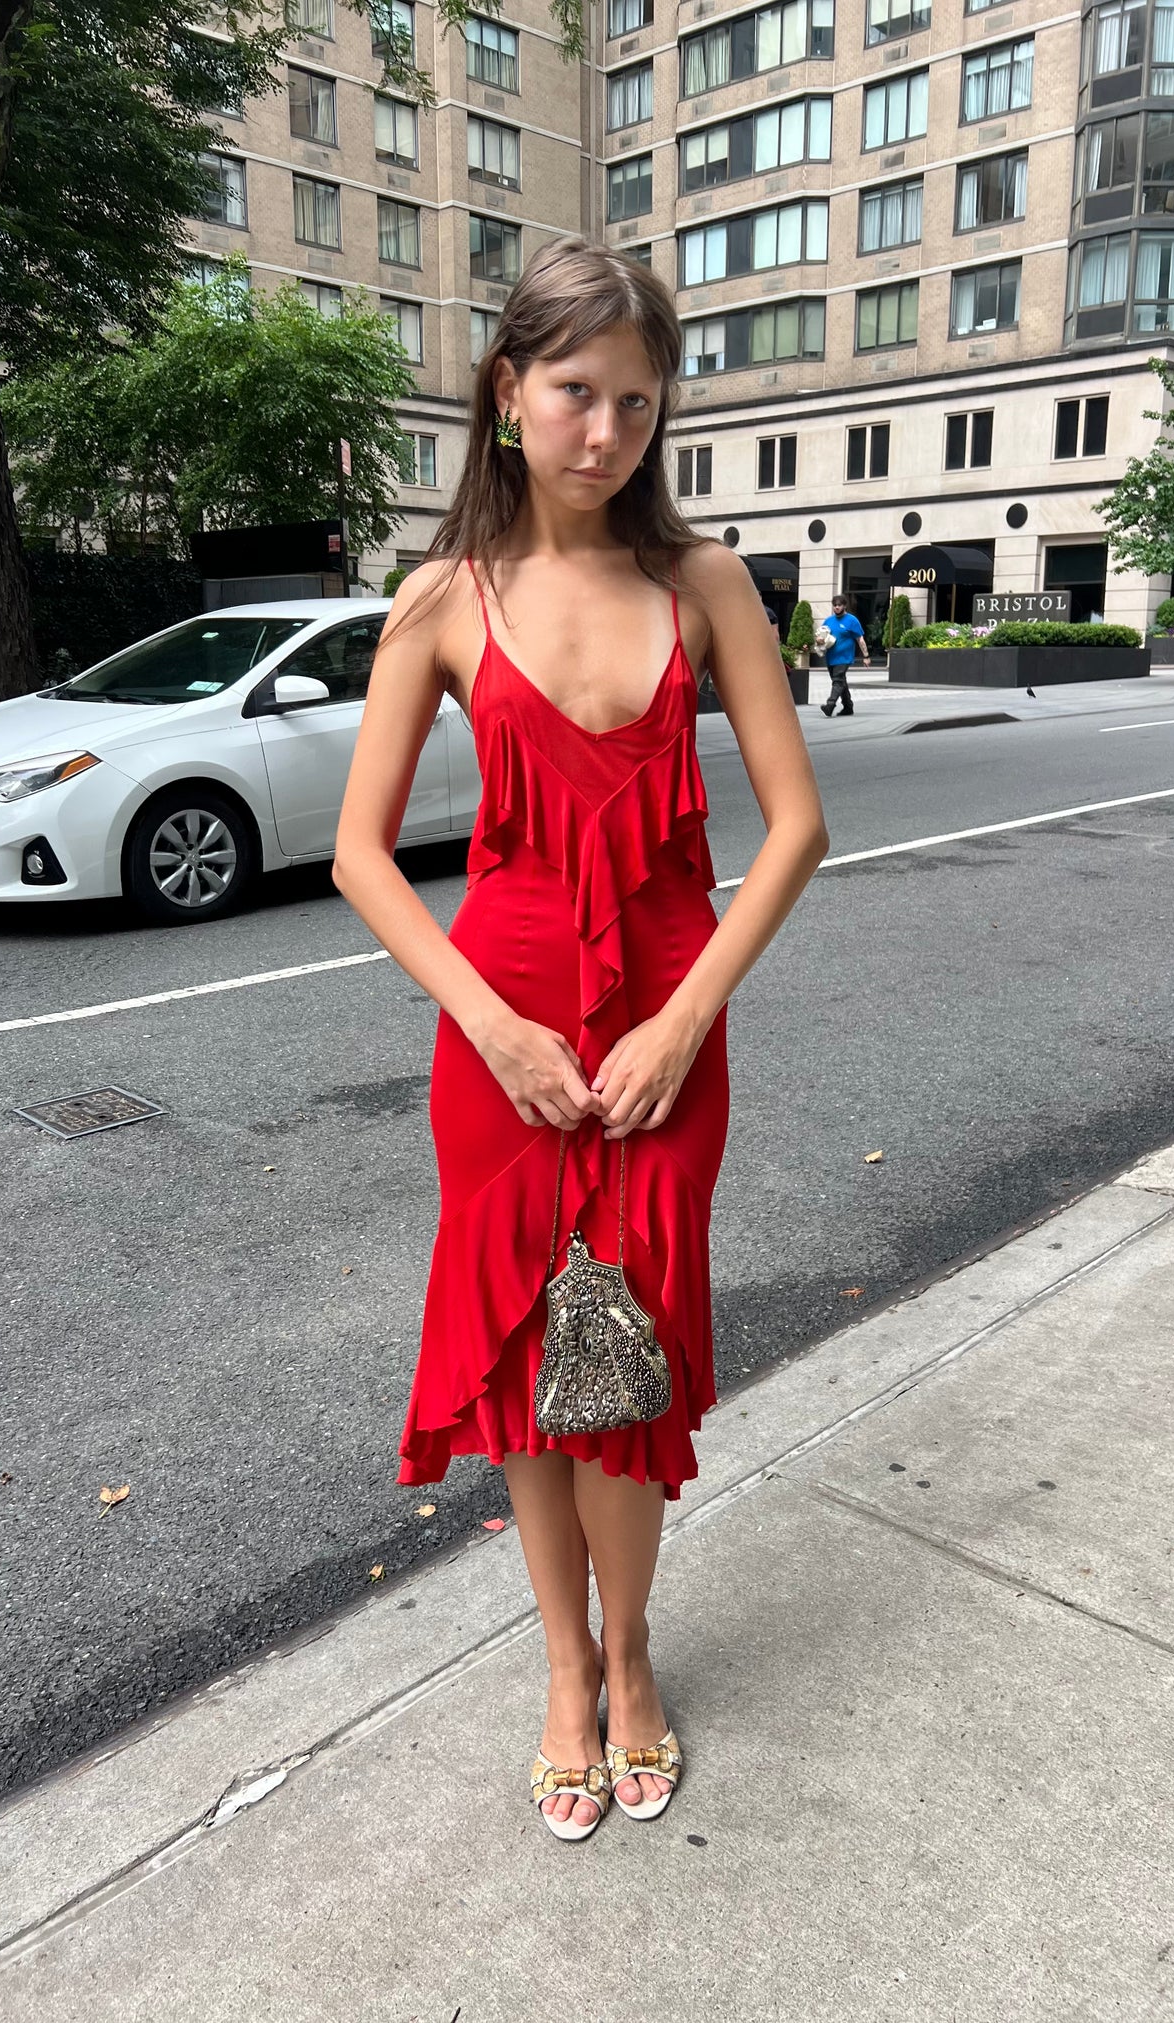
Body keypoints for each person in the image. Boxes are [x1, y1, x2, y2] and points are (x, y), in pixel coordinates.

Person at [331, 235, 828, 1844]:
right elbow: (360, 853)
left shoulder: (703, 586)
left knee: (634, 1362)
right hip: (503, 1038)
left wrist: (688, 1018)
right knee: (526, 1370)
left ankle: (633, 1659)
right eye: (573, 392)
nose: (603, 429)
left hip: (667, 1034)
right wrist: (488, 1024)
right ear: (507, 395)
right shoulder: (444, 600)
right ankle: (561, 1667)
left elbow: (799, 824)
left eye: (633, 399)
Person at [819, 593, 870, 716]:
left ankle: (830, 705)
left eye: (839, 605)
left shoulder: (852, 620)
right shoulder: (828, 621)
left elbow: (860, 639)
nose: (836, 607)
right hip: (831, 656)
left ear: (845, 606)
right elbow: (821, 636)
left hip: (844, 657)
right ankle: (848, 707)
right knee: (841, 682)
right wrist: (819, 640)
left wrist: (866, 656)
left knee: (837, 680)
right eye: (835, 605)